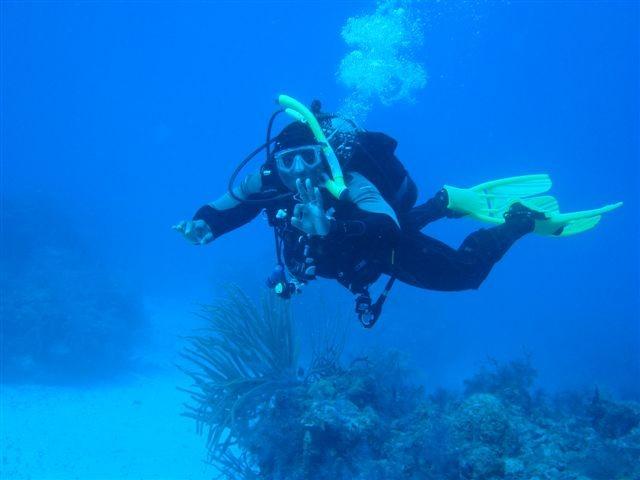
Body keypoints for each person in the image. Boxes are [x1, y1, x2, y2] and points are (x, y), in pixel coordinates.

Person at [175, 95, 621, 327]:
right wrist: (204, 225)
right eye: (288, 162)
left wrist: (331, 225)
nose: (300, 171)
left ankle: (518, 221)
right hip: (347, 259)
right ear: (275, 162)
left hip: (374, 248)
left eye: (310, 157)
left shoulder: (348, 180)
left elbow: (387, 228)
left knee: (465, 275)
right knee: (401, 225)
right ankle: (445, 203)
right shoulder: (269, 180)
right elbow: (230, 204)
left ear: (324, 154)